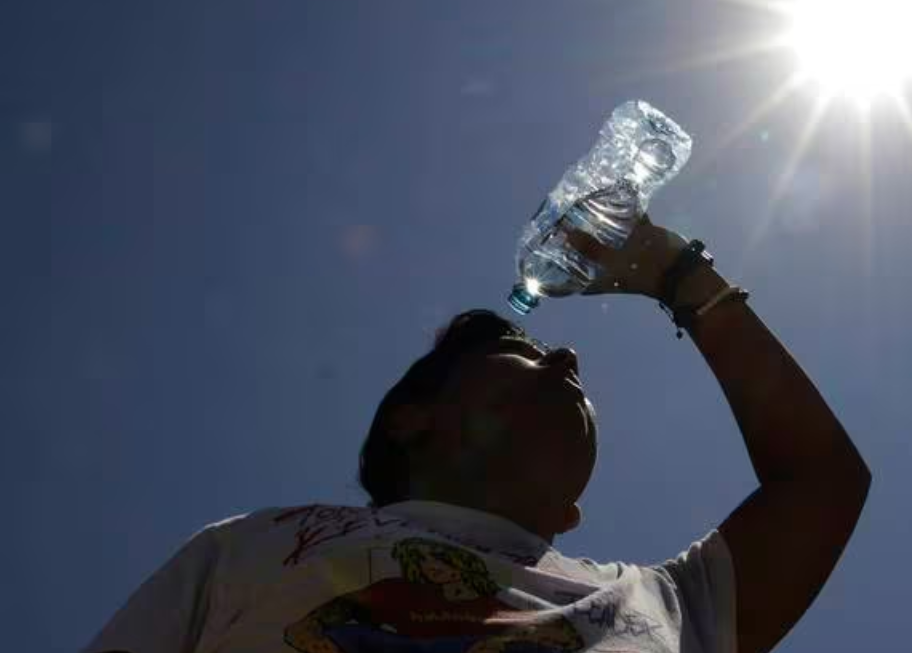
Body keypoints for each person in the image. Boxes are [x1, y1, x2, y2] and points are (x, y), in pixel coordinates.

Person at [84, 217, 872, 653]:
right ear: (413, 419)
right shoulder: (252, 548)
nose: (567, 353)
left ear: (569, 514)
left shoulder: (666, 606)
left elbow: (822, 482)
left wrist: (680, 277)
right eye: (522, 354)